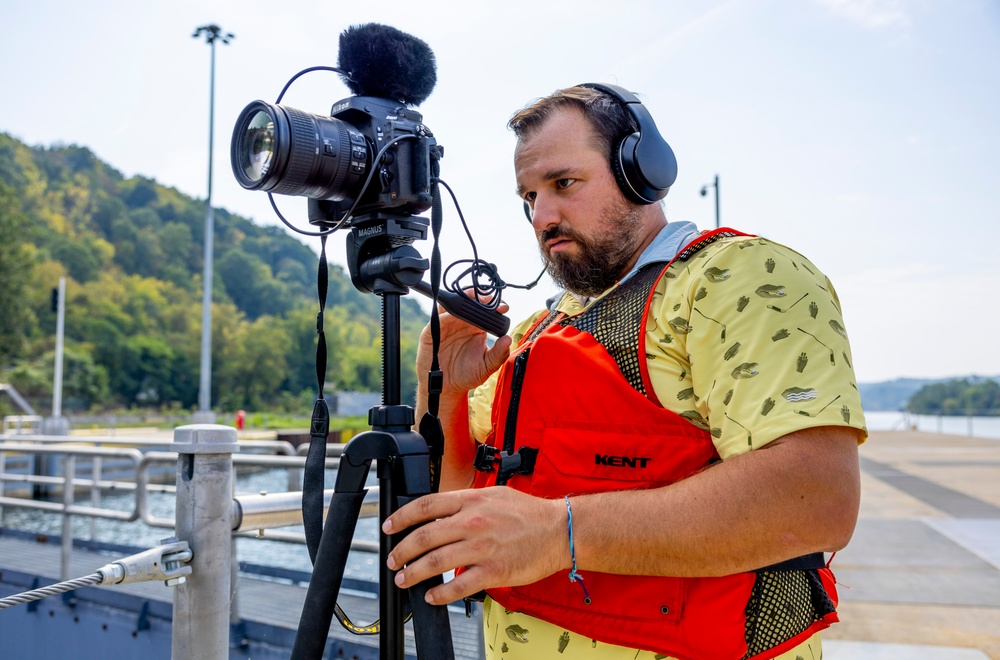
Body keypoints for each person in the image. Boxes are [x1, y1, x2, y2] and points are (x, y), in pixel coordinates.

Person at [383, 85, 867, 660]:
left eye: (564, 184)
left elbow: (816, 500)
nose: (543, 216)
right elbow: (455, 508)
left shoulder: (740, 279)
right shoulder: (538, 329)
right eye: (529, 197)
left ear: (642, 170)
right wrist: (441, 390)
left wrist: (555, 533)